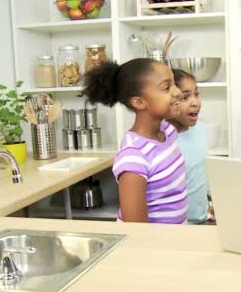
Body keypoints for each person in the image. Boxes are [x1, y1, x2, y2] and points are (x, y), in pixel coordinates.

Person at [82, 58, 188, 224]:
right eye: (166, 87)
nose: (177, 92)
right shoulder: (134, 157)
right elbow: (136, 230)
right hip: (152, 246)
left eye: (174, 84)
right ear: (139, 102)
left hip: (175, 240)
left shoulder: (167, 131)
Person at [167, 69, 214, 224]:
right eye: (185, 97)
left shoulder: (200, 129)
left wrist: (211, 205)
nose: (195, 102)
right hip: (178, 227)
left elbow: (200, 173)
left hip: (203, 221)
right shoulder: (163, 140)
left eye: (196, 94)